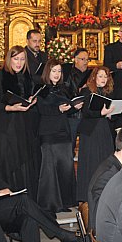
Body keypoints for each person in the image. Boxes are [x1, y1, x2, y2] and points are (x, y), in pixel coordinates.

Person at [0, 46, 40, 197]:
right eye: (16, 59)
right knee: (6, 161)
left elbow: (27, 97)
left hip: (22, 124)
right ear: (9, 59)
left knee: (23, 162)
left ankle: (23, 196)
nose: (19, 63)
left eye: (22, 59)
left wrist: (30, 100)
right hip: (3, 126)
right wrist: (10, 108)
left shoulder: (27, 77)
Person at [36, 59, 82, 213]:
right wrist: (58, 109)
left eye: (59, 71)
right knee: (50, 169)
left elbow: (67, 109)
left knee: (65, 167)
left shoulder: (64, 88)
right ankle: (51, 204)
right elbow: (41, 109)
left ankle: (65, 201)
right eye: (53, 71)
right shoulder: (40, 88)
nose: (57, 74)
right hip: (48, 131)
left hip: (63, 131)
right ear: (47, 72)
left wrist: (74, 107)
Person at [77, 66, 116, 201]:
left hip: (104, 129)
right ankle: (88, 195)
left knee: (105, 161)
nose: (103, 79)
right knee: (92, 163)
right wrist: (101, 113)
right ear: (94, 77)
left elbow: (111, 114)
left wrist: (111, 115)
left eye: (106, 76)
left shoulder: (107, 93)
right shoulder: (87, 91)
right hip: (91, 131)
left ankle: (105, 192)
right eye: (100, 76)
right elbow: (86, 112)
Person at [64, 48, 90, 148]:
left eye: (87, 60)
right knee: (70, 144)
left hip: (87, 114)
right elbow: (65, 93)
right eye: (82, 59)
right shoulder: (68, 74)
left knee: (87, 145)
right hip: (73, 114)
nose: (85, 62)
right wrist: (79, 91)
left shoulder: (91, 74)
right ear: (75, 59)